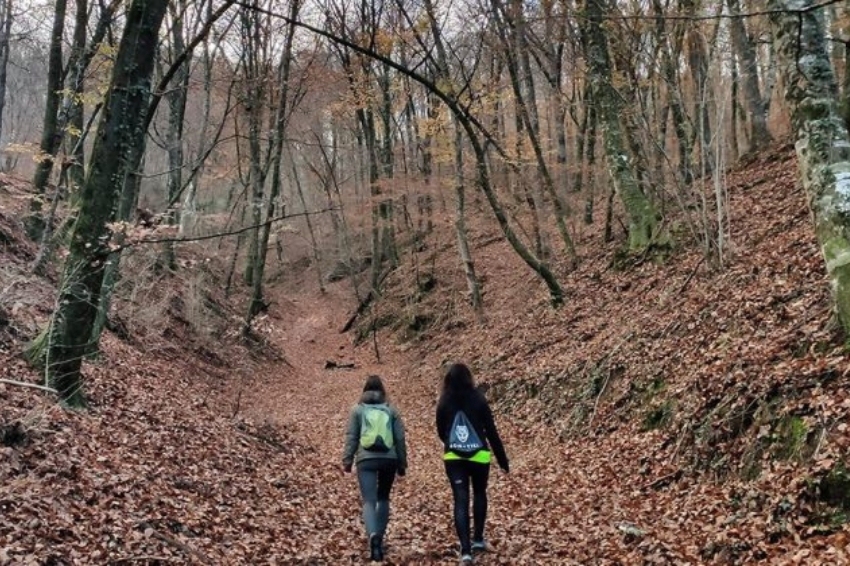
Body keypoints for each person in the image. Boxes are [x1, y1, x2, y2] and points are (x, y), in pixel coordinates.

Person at [436, 363, 509, 564]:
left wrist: (454, 444)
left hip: (454, 458)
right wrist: (503, 460)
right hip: (479, 456)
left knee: (460, 499)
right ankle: (477, 539)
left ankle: (466, 552)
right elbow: (492, 432)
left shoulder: (444, 401)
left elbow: (441, 431)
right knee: (479, 493)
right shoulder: (478, 399)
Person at [342, 375, 407, 562]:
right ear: (382, 391)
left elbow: (352, 437)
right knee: (384, 498)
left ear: (364, 390)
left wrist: (347, 460)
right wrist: (402, 464)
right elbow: (400, 439)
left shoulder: (357, 410)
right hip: (389, 459)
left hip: (366, 460)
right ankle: (380, 535)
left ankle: (372, 537)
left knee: (369, 501)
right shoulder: (391, 410)